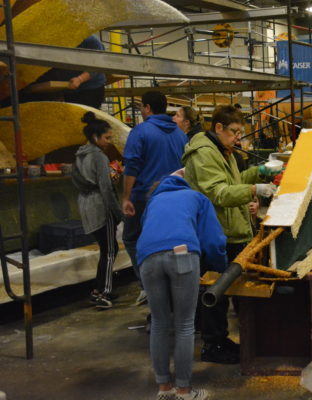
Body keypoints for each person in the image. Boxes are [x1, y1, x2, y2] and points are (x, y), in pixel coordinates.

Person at [182, 105, 279, 364]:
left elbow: (232, 183)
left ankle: (225, 341)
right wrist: (253, 189)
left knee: (229, 291)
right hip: (216, 233)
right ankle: (213, 345)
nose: (239, 137)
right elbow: (219, 193)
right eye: (234, 132)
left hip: (231, 230)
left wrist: (258, 173)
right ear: (218, 128)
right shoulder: (204, 154)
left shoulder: (222, 151)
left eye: (241, 132)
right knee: (217, 292)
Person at [137, 170, 227, 400]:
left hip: (147, 260)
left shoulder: (154, 201)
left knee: (158, 323)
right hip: (183, 255)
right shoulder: (196, 197)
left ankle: (164, 390)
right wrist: (219, 267)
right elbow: (214, 240)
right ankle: (185, 391)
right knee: (185, 325)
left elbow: (147, 233)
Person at [122, 91, 188, 303]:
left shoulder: (140, 131)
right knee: (171, 244)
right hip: (176, 198)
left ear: (148, 108)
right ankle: (174, 290)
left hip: (145, 198)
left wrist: (126, 197)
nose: (141, 111)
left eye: (141, 107)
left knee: (133, 239)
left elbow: (131, 167)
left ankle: (148, 286)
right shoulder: (180, 135)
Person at [72, 112, 123, 309]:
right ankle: (104, 292)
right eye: (107, 138)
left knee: (106, 249)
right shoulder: (99, 156)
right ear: (95, 137)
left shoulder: (80, 154)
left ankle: (96, 289)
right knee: (110, 250)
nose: (109, 142)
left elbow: (81, 181)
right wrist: (118, 212)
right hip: (101, 206)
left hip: (85, 204)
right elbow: (106, 188)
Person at [31, 35, 107, 109]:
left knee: (87, 116)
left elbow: (96, 66)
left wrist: (80, 79)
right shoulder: (61, 41)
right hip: (69, 89)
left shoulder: (91, 41)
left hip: (90, 89)